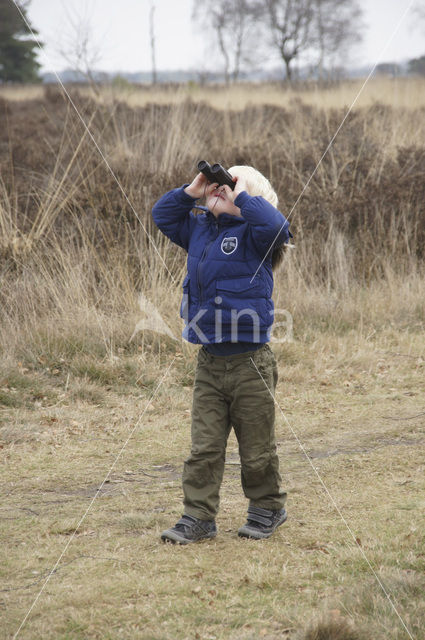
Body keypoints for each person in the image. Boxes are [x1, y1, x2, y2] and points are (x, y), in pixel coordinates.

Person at [151, 164, 293, 544]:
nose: (221, 190)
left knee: (257, 448)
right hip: (210, 362)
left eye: (229, 187)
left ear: (250, 200)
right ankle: (198, 516)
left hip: (252, 364)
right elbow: (161, 216)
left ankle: (267, 508)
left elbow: (279, 227)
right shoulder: (199, 229)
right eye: (220, 184)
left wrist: (242, 194)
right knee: (205, 447)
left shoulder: (257, 237)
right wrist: (192, 191)